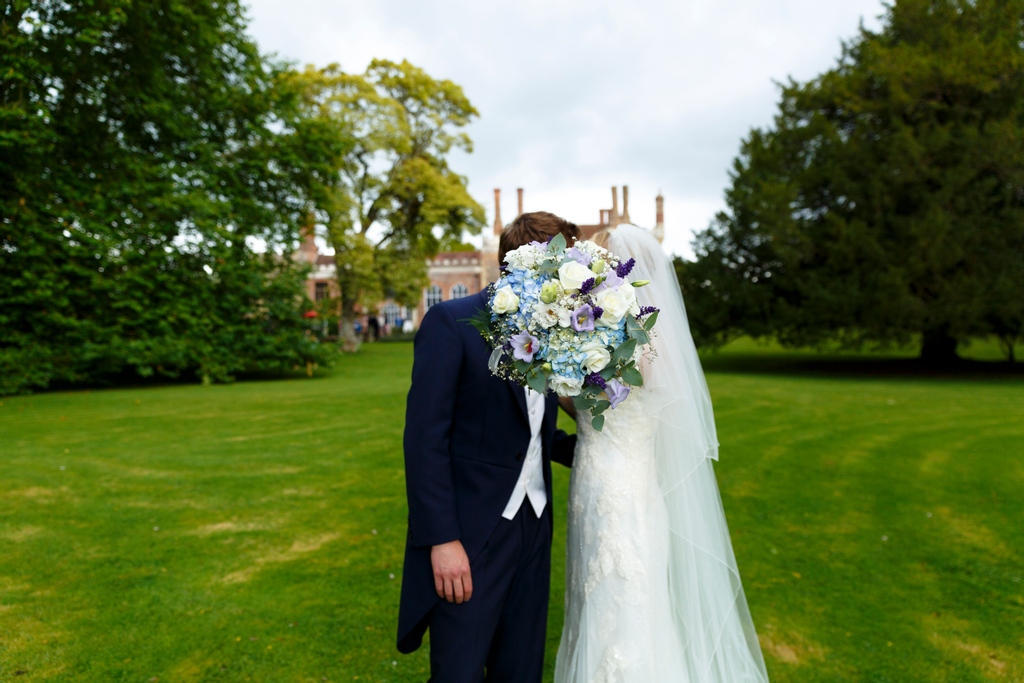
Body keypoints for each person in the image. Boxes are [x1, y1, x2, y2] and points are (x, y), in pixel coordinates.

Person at [554, 224, 770, 682]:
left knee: (622, 599)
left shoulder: (632, 342)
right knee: (607, 599)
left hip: (616, 490)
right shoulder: (625, 338)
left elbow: (612, 402)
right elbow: (605, 408)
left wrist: (564, 379)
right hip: (612, 483)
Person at [398, 212, 580, 681]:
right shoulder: (451, 322)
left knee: (520, 670)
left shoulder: (553, 332)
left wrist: (605, 453)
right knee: (458, 672)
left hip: (535, 529)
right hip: (471, 533)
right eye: (566, 263)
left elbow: (532, 431)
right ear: (526, 263)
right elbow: (425, 441)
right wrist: (442, 540)